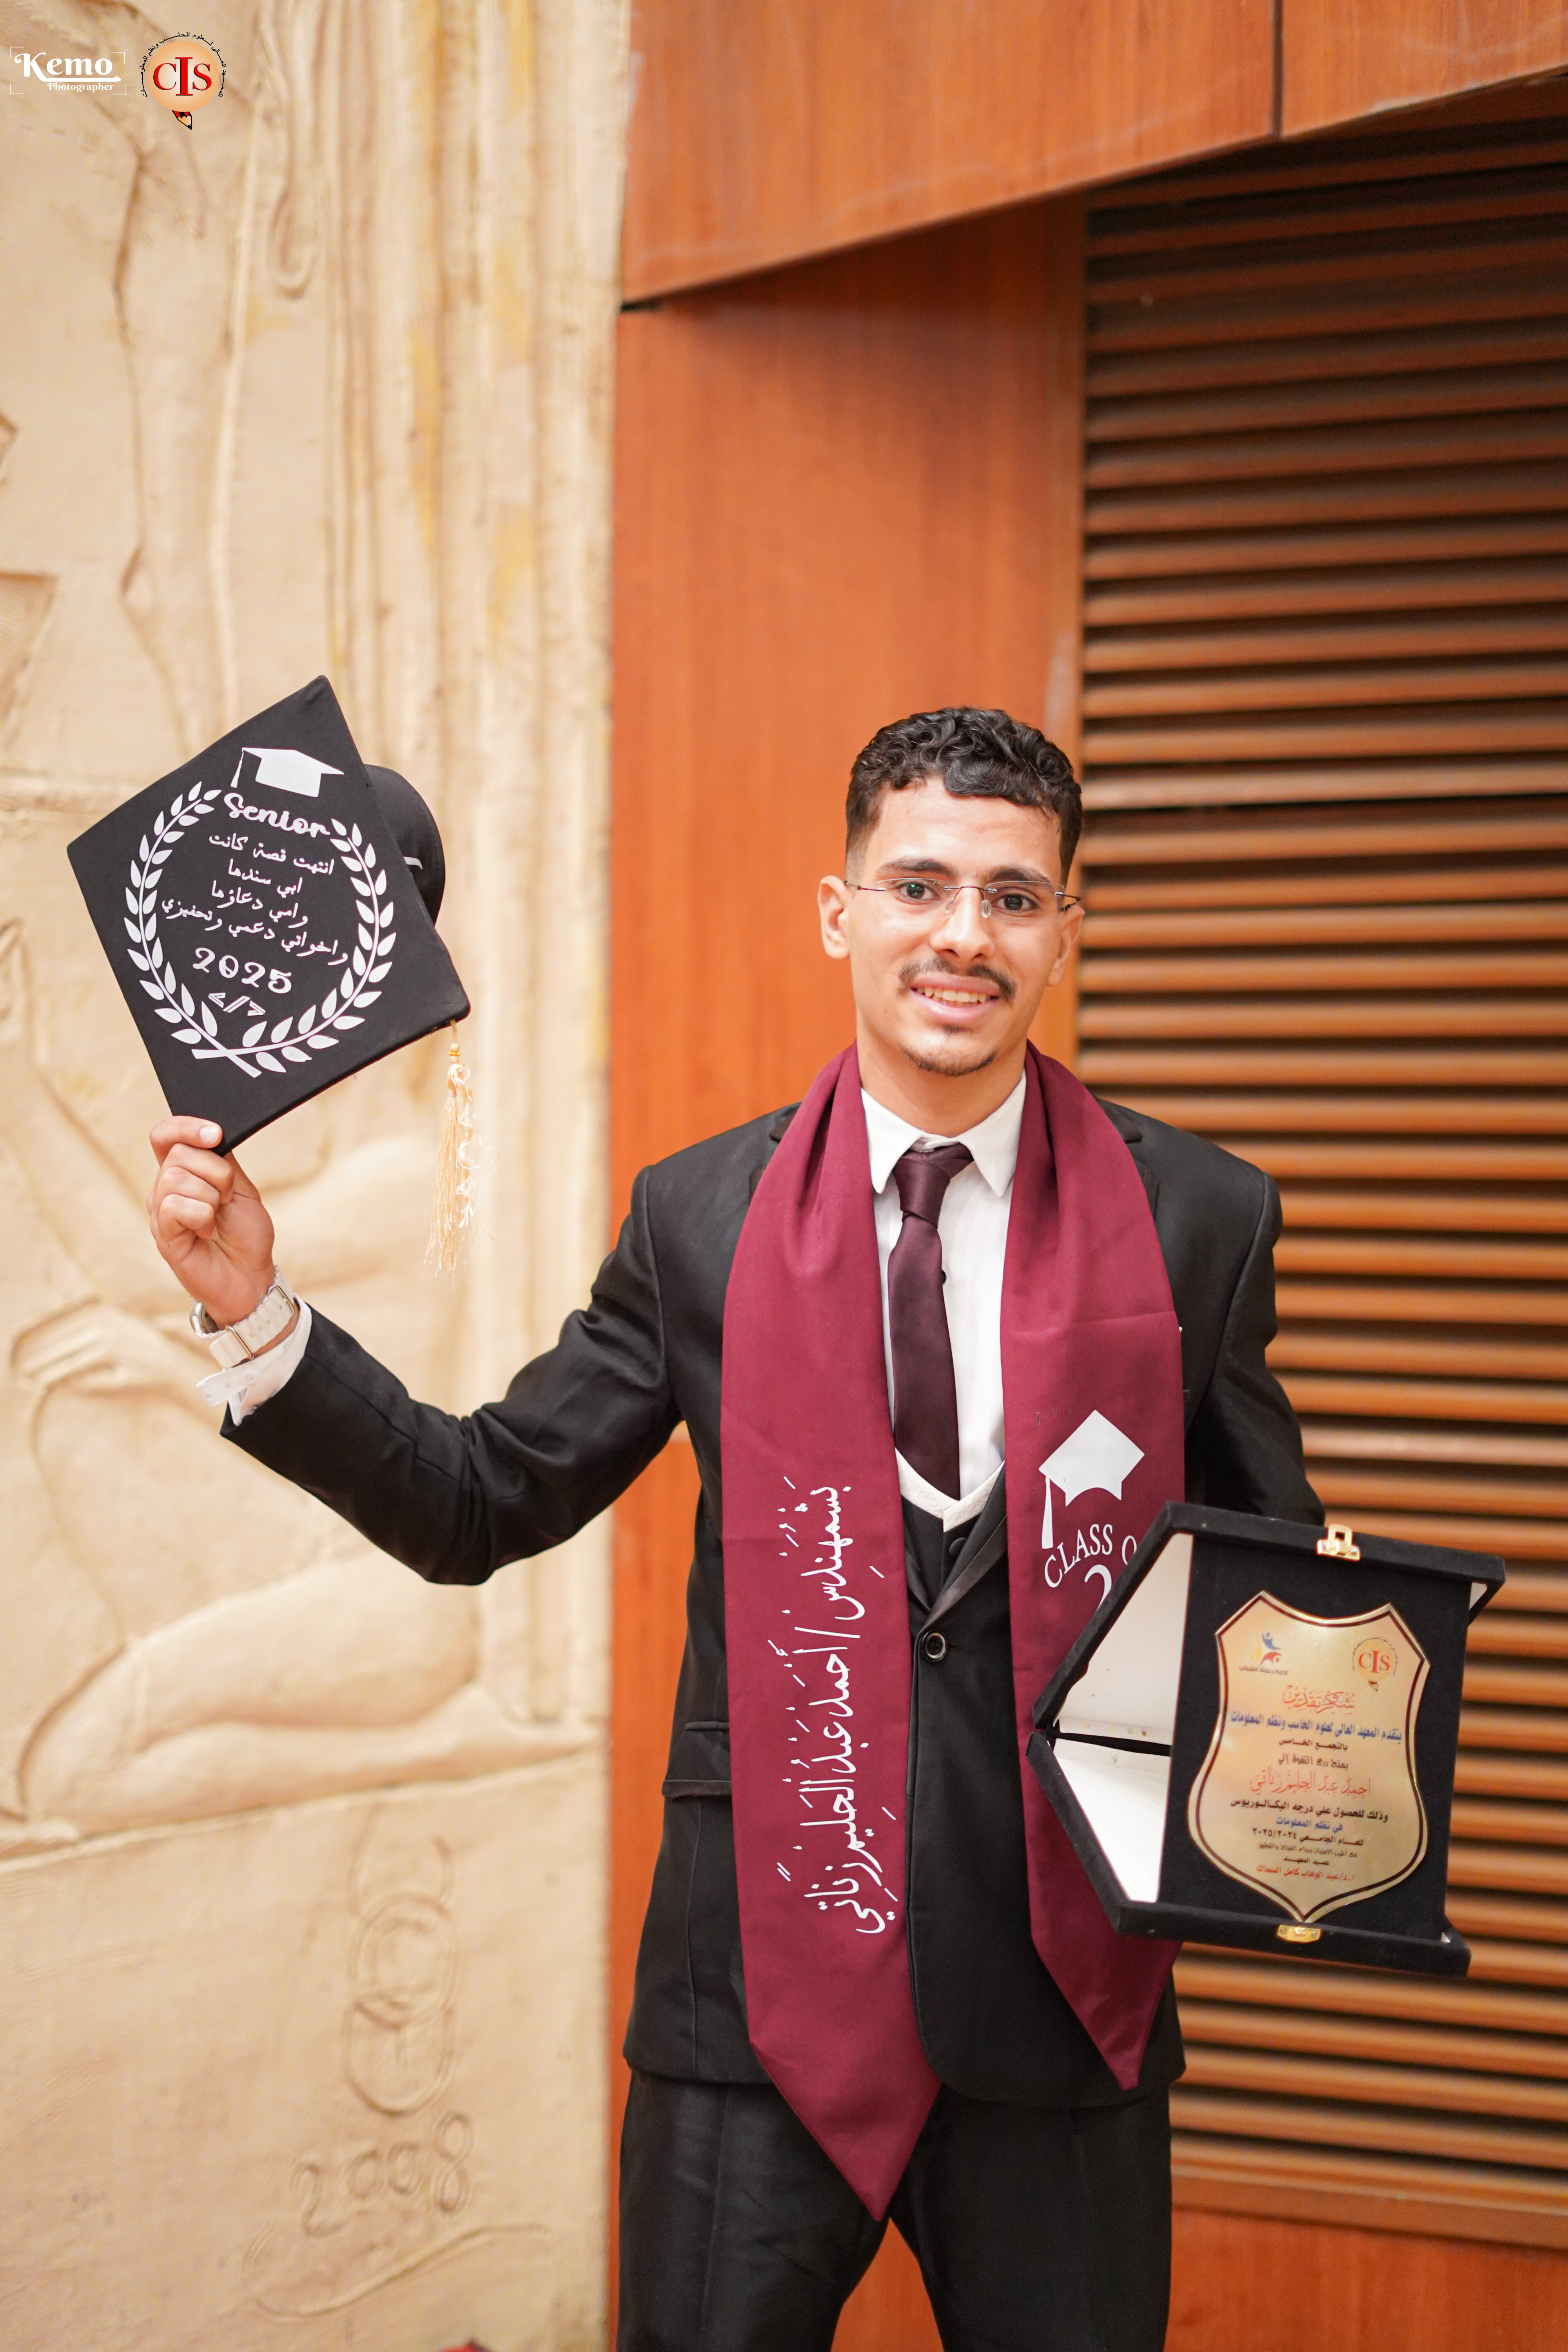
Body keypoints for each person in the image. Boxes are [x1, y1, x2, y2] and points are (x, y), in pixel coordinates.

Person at [147, 708, 1320, 2352]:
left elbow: (1276, 1589)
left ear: (1064, 929)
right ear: (840, 911)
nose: (962, 935)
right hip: (752, 2011)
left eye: (1011, 897)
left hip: (1061, 2012)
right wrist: (259, 1313)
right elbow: (482, 1497)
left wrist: (1325, 1768)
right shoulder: (699, 1214)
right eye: (918, 885)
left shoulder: (1199, 1214)